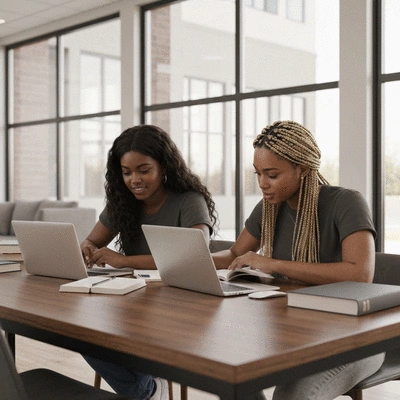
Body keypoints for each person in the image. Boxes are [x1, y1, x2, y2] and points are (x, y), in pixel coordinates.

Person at [213, 120, 385, 400]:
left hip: (356, 339)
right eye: (258, 174)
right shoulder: (269, 206)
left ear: (302, 169)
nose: (262, 184)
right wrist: (192, 263)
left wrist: (273, 264)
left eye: (272, 174)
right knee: (227, 377)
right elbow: (235, 254)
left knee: (290, 397)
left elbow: (360, 274)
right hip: (294, 332)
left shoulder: (346, 202)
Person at [81, 124, 218, 400]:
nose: (135, 180)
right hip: (133, 303)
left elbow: (192, 254)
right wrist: (87, 248)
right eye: (127, 172)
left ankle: (146, 390)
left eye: (144, 170)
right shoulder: (123, 202)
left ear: (164, 166)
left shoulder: (189, 200)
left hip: (181, 308)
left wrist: (123, 261)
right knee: (80, 332)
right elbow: (92, 241)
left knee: (106, 335)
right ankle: (148, 390)